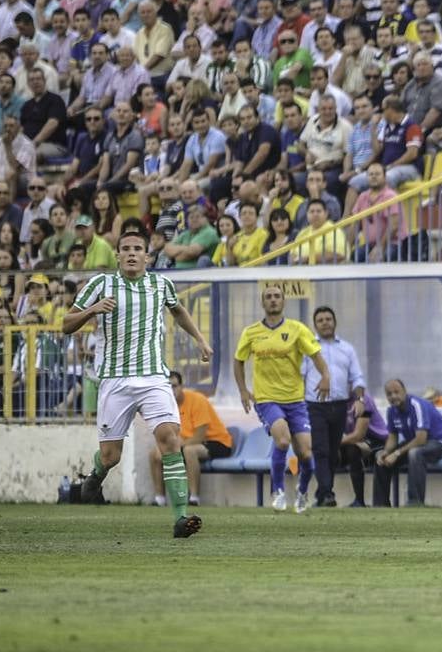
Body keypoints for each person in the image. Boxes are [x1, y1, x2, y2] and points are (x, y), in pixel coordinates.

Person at [63, 228, 213, 538]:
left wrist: (199, 339)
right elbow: (66, 323)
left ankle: (181, 517)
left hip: (153, 377)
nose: (132, 253)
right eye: (126, 248)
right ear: (117, 255)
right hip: (115, 380)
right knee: (111, 456)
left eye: (137, 248)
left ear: (148, 255)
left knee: (171, 439)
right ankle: (96, 474)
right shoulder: (100, 284)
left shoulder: (161, 284)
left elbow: (178, 309)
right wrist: (92, 310)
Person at [233, 284, 332, 514]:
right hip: (267, 399)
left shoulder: (297, 329)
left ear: (284, 301)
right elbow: (238, 360)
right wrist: (243, 390)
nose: (273, 300)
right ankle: (277, 491)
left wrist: (326, 376)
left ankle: (303, 490)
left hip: (295, 400)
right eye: (268, 297)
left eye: (277, 296)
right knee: (282, 440)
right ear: (263, 303)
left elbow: (316, 355)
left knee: (306, 452)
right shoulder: (251, 333)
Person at [303, 305, 366, 508]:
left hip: (339, 406)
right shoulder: (308, 348)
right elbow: (300, 376)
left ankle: (322, 494)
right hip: (315, 405)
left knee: (332, 452)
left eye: (328, 319)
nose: (325, 323)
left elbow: (357, 377)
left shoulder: (346, 349)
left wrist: (359, 399)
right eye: (320, 320)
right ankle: (328, 493)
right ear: (315, 325)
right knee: (320, 449)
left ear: (334, 321)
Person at [147, 371, 232, 509]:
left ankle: (194, 498)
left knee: (189, 451)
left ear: (181, 386)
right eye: (167, 387)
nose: (171, 390)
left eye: (174, 386)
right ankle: (159, 499)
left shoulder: (197, 399)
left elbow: (200, 435)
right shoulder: (166, 406)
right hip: (188, 444)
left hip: (217, 441)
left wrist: (175, 448)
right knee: (154, 454)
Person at [375, 378, 442, 507]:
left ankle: (415, 501)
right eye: (389, 394)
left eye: (396, 392)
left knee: (415, 453)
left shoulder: (416, 405)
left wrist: (395, 454)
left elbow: (421, 439)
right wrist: (385, 452)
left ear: (404, 391)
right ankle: (380, 505)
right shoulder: (391, 411)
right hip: (418, 443)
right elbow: (392, 438)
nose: (393, 396)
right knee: (380, 458)